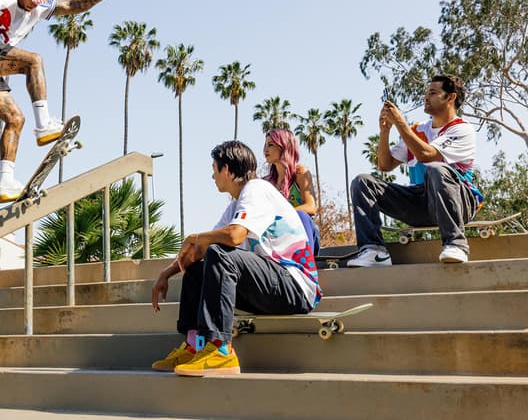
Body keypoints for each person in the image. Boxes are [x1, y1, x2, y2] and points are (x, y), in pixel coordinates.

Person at [0, 0, 124, 203]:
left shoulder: (38, 5)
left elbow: (71, 6)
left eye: (38, 0)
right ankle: (44, 126)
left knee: (15, 119)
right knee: (33, 61)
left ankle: (6, 182)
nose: (33, 4)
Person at [150, 140, 321, 377]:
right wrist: (166, 273)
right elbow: (199, 250)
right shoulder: (235, 206)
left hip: (295, 286)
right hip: (271, 287)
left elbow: (234, 236)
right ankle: (195, 345)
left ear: (227, 170)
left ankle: (220, 350)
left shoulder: (256, 189)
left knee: (219, 253)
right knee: (198, 268)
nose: (212, 176)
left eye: (214, 169)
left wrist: (195, 236)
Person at [348, 75, 482, 267]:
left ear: (450, 98)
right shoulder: (418, 130)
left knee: (436, 170)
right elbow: (385, 165)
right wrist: (385, 131)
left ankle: (456, 244)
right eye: (426, 93)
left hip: (459, 202)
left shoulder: (461, 129)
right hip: (420, 202)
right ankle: (374, 251)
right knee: (363, 182)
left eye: (433, 93)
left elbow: (427, 155)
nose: (426, 97)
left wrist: (401, 124)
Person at [261, 128, 320, 253]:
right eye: (265, 144)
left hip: (304, 234)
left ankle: (306, 262)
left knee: (301, 215)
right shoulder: (266, 183)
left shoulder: (300, 173)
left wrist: (283, 214)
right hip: (279, 237)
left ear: (284, 147)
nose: (265, 149)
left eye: (270, 144)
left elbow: (311, 207)